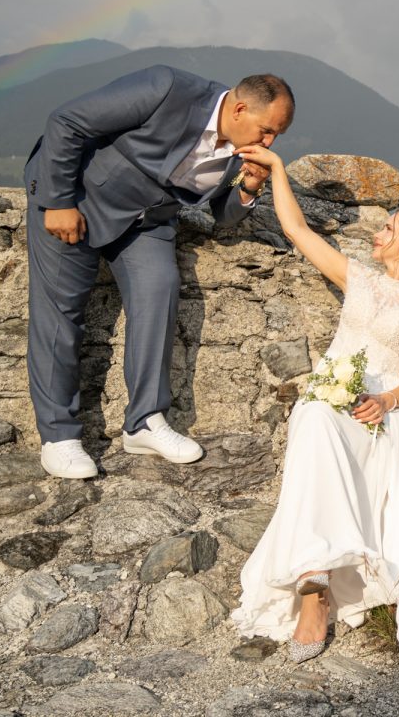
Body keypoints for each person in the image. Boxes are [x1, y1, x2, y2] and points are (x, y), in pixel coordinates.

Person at [229, 143, 399, 662]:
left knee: (321, 428)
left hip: (386, 404)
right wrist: (279, 169)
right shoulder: (359, 278)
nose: (377, 234)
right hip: (332, 390)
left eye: (388, 229)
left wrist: (385, 400)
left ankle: (317, 579)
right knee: (312, 418)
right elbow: (296, 230)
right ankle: (314, 582)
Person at [24, 65, 294, 479]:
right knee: (60, 314)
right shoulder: (166, 88)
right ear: (239, 109)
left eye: (277, 135)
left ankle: (145, 422)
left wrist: (249, 186)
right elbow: (67, 121)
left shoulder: (241, 148)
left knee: (160, 290)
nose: (270, 142)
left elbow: (222, 215)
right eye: (267, 130)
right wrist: (59, 201)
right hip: (81, 199)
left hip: (147, 223)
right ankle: (59, 437)